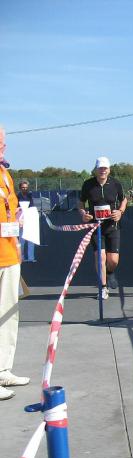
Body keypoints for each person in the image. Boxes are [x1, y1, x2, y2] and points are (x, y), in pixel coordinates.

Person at [0, 126, 30, 401]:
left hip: (9, 253)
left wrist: (17, 215)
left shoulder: (5, 173)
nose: (2, 146)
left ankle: (3, 369)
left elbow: (8, 207)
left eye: (3, 142)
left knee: (8, 314)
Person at [79, 157, 127, 299]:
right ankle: (103, 288)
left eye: (105, 168)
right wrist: (83, 214)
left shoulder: (115, 184)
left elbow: (124, 199)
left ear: (109, 170)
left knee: (113, 260)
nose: (103, 171)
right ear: (95, 170)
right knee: (100, 257)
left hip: (113, 226)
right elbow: (80, 202)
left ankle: (110, 272)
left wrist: (120, 212)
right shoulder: (88, 184)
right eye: (100, 168)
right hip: (96, 227)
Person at [17, 179, 36, 263]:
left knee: (31, 239)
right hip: (20, 219)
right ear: (20, 188)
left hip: (29, 219)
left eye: (26, 187)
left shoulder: (29, 195)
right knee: (21, 240)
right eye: (23, 187)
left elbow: (32, 207)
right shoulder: (17, 196)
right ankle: (21, 257)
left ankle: (31, 257)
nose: (25, 189)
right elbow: (15, 207)